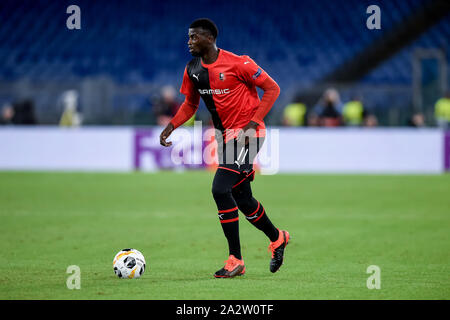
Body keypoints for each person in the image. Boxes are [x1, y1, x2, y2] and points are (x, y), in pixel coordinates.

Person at [159, 18, 289, 278]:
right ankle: (278, 238)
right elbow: (190, 104)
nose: (189, 42)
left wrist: (252, 125)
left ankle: (235, 260)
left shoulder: (239, 63)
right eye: (189, 37)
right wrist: (172, 125)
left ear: (209, 38)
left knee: (219, 188)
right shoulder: (192, 69)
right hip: (224, 138)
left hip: (247, 136)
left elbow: (272, 89)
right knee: (242, 198)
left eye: (194, 37)